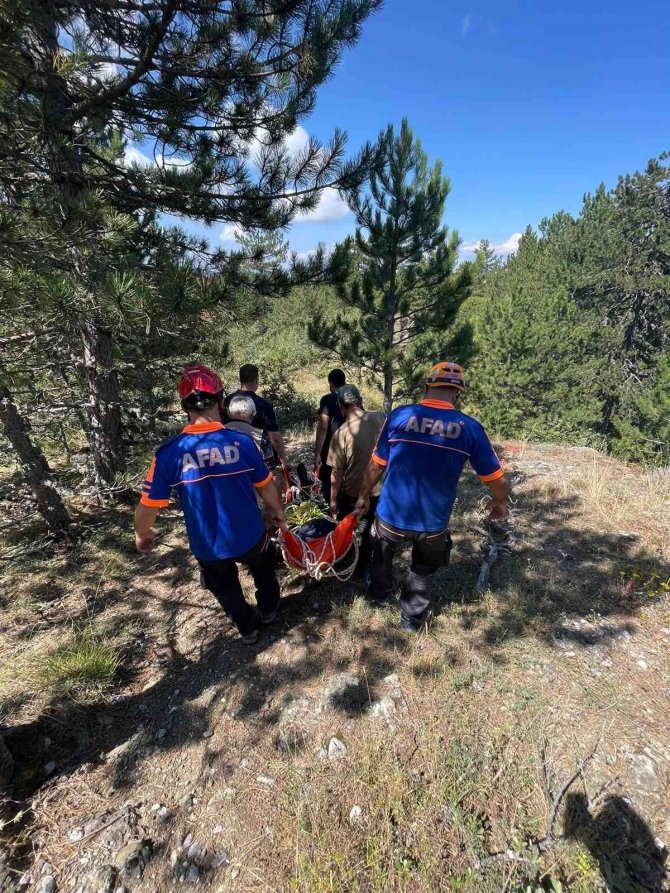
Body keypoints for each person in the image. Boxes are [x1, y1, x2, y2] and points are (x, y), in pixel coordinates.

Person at [134, 364, 285, 645]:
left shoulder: (169, 455)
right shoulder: (241, 443)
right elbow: (265, 486)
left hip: (207, 544)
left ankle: (247, 627)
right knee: (264, 567)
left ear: (184, 406)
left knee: (224, 586)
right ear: (220, 399)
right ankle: (269, 609)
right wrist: (276, 512)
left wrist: (142, 533)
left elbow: (148, 506)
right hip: (250, 534)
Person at [354, 362, 509, 631]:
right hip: (433, 522)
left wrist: (362, 496)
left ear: (426, 387)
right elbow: (496, 479)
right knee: (422, 568)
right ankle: (411, 620)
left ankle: (379, 595)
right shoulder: (469, 428)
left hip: (391, 514)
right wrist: (499, 501)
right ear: (457, 394)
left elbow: (376, 464)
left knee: (381, 555)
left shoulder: (400, 416)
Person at [327, 384, 385, 578]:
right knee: (375, 529)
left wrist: (333, 501)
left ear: (341, 407)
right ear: (360, 402)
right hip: (381, 489)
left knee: (354, 532)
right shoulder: (380, 418)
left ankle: (357, 568)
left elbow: (336, 473)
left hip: (354, 493)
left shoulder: (341, 434)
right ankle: (371, 563)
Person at [223, 364, 288, 470]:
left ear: (240, 379)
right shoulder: (262, 404)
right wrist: (282, 458)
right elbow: (275, 437)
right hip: (257, 458)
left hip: (231, 456)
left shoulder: (227, 401)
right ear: (256, 379)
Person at [313, 368, 346, 503]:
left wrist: (317, 454)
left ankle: (332, 510)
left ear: (331, 385)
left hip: (331, 448)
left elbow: (323, 426)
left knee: (328, 480)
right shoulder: (353, 397)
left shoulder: (327, 400)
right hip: (351, 445)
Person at [225, 394, 274, 468]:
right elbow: (270, 469)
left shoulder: (215, 434)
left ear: (229, 413)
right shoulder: (261, 437)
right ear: (253, 414)